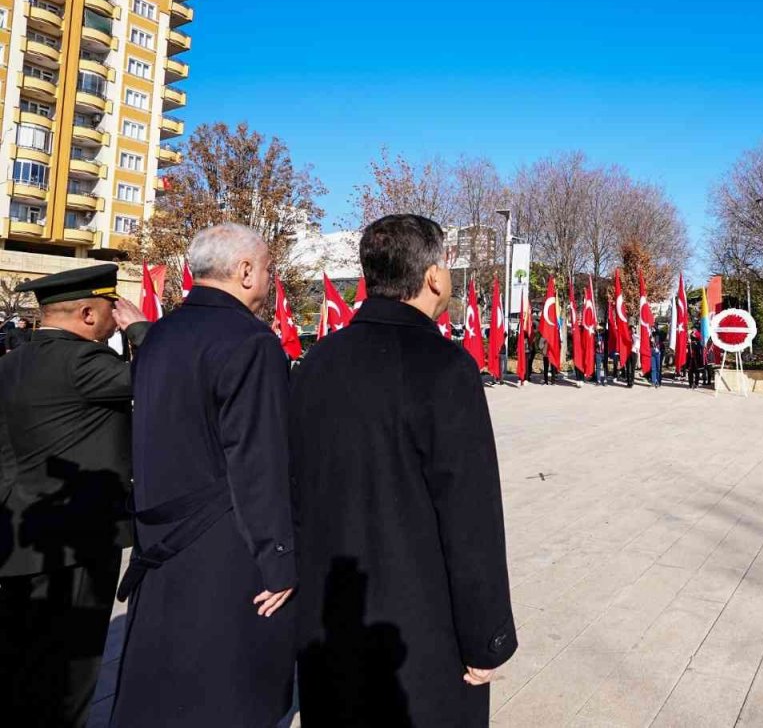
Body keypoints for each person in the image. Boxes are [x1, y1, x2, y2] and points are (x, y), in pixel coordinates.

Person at [291, 214, 517, 727]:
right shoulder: (445, 367)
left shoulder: (317, 360)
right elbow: (470, 517)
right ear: (434, 276)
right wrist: (487, 635)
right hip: (420, 635)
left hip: (330, 620)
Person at [112, 224, 297, 728]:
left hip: (161, 535)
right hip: (226, 545)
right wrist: (279, 558)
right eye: (265, 269)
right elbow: (259, 461)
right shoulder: (252, 342)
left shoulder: (161, 333)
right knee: (224, 689)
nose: (267, 279)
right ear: (244, 271)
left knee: (165, 687)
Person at [0, 265, 148, 728]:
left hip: (20, 533)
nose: (114, 318)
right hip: (78, 541)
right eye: (111, 308)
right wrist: (142, 329)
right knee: (71, 672)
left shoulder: (11, 360)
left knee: (23, 661)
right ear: (87, 312)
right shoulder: (85, 362)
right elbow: (161, 376)